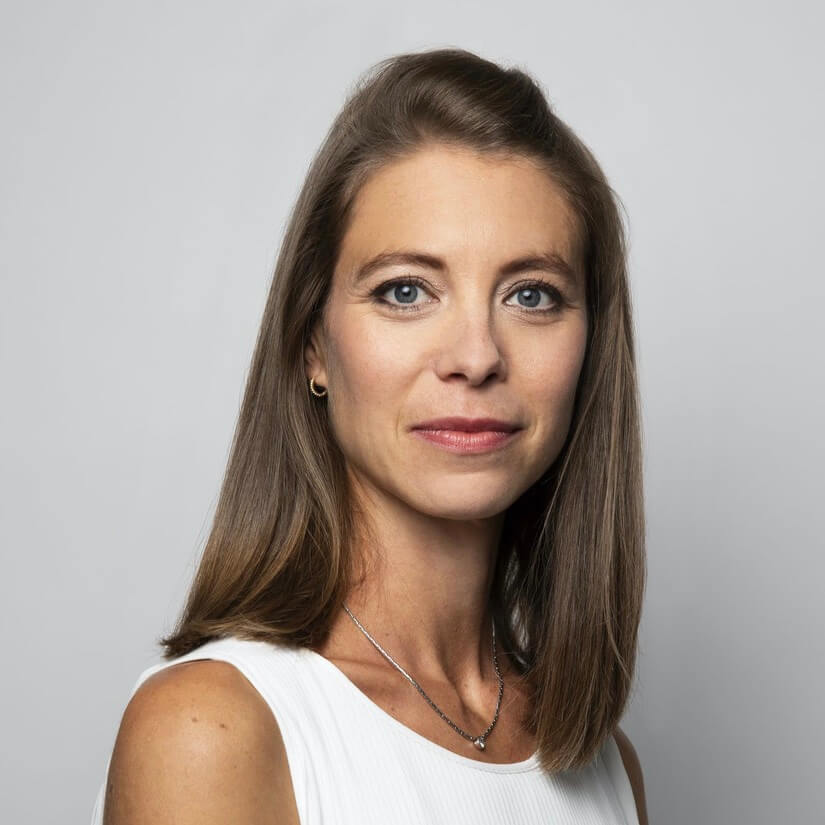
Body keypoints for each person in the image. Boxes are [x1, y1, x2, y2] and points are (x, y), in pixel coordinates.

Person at [92, 47, 648, 825]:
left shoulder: (605, 766)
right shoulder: (213, 730)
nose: (476, 357)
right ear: (313, 345)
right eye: (405, 290)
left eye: (531, 294)